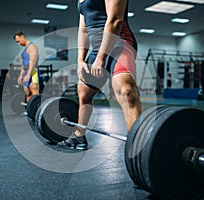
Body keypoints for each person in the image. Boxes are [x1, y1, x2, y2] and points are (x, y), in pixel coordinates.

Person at [58, 0, 142, 150]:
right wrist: (80, 60)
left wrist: (101, 58)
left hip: (119, 43)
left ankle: (138, 146)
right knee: (84, 94)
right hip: (97, 50)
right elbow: (83, 30)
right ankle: (79, 136)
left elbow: (115, 19)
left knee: (127, 92)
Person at [13, 32, 40, 103]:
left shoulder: (32, 46)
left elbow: (33, 62)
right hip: (25, 71)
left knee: (34, 90)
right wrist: (20, 75)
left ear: (22, 37)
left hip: (33, 71)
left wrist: (28, 75)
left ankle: (37, 111)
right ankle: (29, 111)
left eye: (18, 41)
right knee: (27, 93)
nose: (18, 44)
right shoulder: (25, 49)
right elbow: (23, 64)